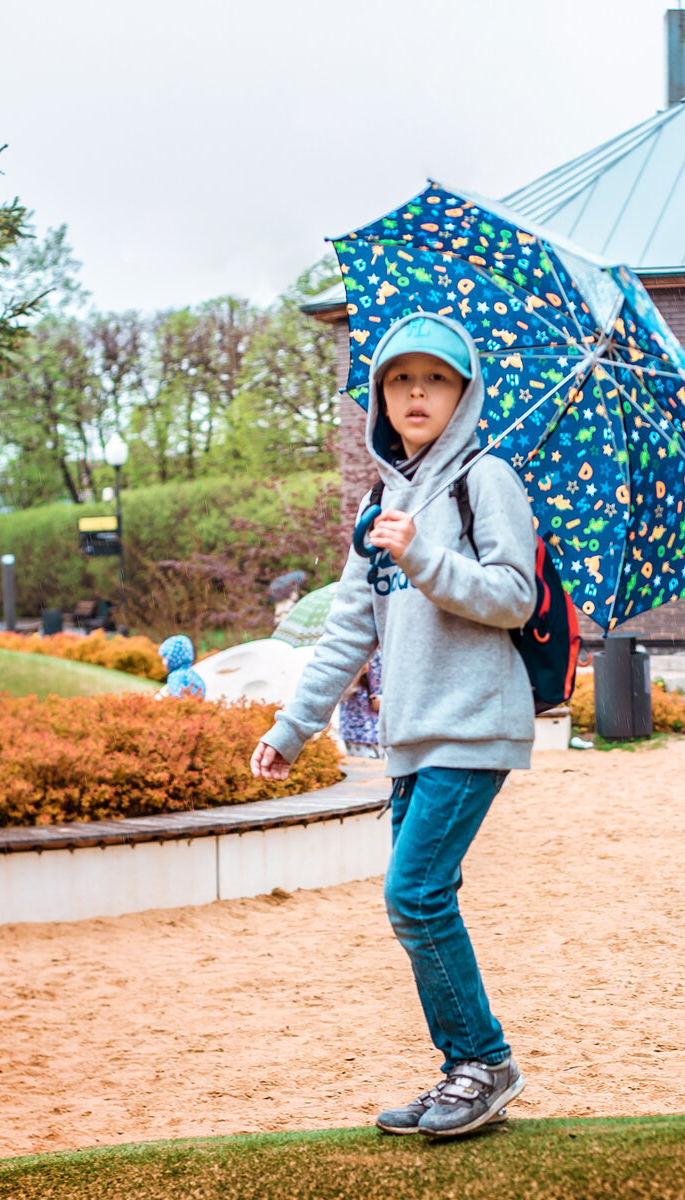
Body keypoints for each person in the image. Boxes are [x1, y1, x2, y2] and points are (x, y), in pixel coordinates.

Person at [249, 313, 536, 1139]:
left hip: (474, 724)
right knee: (420, 899)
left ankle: (485, 1063)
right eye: (401, 378)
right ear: (379, 396)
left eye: (436, 378)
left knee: (412, 896)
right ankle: (463, 1071)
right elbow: (349, 629)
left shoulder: (488, 481)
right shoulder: (383, 498)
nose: (417, 392)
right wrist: (292, 727)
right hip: (411, 736)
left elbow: (512, 595)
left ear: (464, 394)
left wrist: (425, 558)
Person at [339, 649, 383, 757]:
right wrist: (360, 673)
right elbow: (340, 695)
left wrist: (384, 702)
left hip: (384, 730)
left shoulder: (387, 654)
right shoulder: (348, 654)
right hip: (356, 732)